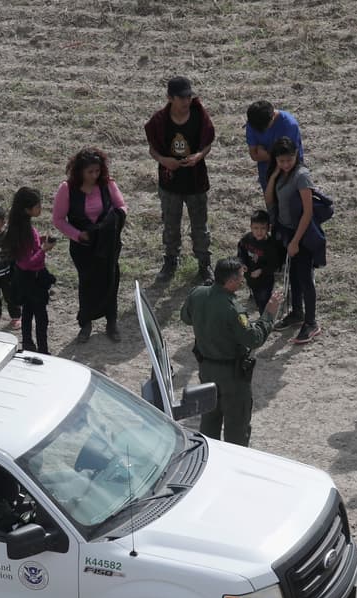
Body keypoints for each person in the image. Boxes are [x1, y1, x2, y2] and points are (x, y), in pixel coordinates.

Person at [179, 258, 283, 446]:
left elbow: (185, 317)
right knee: (237, 428)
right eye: (240, 277)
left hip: (206, 371)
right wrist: (268, 315)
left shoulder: (197, 294)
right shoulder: (232, 308)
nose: (243, 281)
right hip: (232, 378)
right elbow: (253, 339)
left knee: (209, 422)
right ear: (231, 281)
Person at [144, 75, 216, 285]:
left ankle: (204, 264)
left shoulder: (198, 116)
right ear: (170, 98)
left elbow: (207, 143)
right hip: (170, 182)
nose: (186, 102)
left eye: (188, 97)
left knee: (200, 227)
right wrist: (164, 160)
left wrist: (198, 156)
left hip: (196, 181)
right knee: (170, 224)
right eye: (181, 98)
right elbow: (153, 149)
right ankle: (170, 261)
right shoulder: (160, 121)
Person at [52, 147, 128, 343]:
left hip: (108, 244)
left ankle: (111, 322)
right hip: (83, 247)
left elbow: (121, 208)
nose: (95, 175)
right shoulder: (67, 189)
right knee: (87, 284)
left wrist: (107, 225)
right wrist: (78, 235)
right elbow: (59, 220)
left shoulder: (107, 184)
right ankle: (85, 323)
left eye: (97, 171)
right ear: (80, 172)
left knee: (111, 280)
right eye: (90, 172)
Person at [263, 137, 323, 344]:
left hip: (302, 235)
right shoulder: (282, 174)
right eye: (281, 161)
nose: (286, 164)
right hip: (287, 232)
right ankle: (297, 313)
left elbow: (308, 213)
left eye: (289, 160)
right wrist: (274, 176)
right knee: (295, 276)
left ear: (296, 156)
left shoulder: (301, 176)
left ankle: (311, 322)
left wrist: (296, 241)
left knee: (305, 278)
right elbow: (270, 200)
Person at [2, 187, 57, 354]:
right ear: (27, 209)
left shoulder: (19, 227)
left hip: (23, 279)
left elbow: (26, 251)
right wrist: (44, 249)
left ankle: (27, 343)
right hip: (32, 279)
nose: (41, 208)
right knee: (41, 317)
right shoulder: (25, 230)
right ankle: (43, 349)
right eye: (38, 206)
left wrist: (39, 241)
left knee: (27, 312)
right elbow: (27, 262)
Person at [245, 100, 304, 191]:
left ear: (272, 117)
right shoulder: (253, 123)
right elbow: (254, 155)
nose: (261, 131)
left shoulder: (289, 125)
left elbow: (290, 158)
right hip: (266, 173)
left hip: (289, 173)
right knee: (271, 203)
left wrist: (266, 155)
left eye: (265, 127)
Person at [237, 209, 283, 314]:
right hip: (250, 276)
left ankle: (265, 321)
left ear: (268, 228)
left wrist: (262, 270)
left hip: (265, 280)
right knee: (257, 297)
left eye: (263, 228)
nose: (259, 231)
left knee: (264, 300)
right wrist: (242, 263)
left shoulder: (271, 245)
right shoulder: (247, 239)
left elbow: (274, 264)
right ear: (251, 227)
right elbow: (241, 251)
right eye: (256, 228)